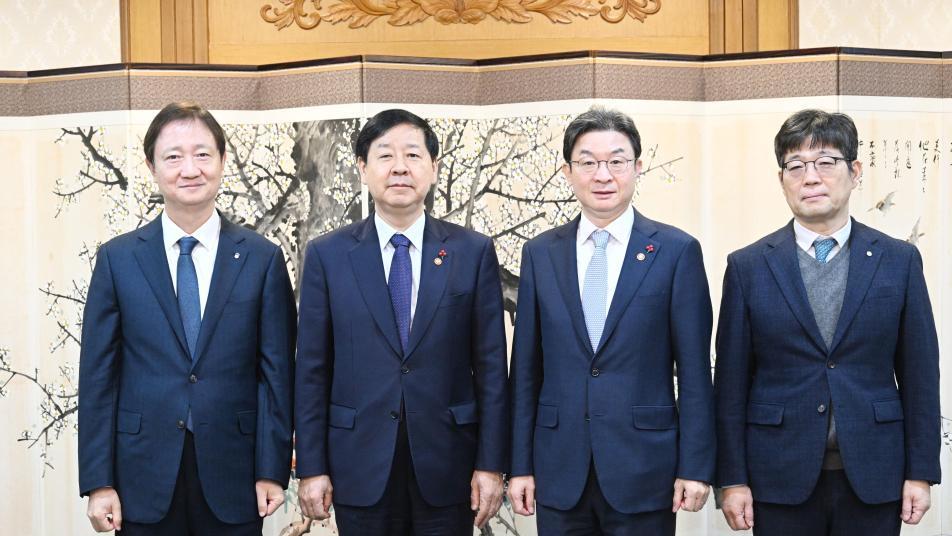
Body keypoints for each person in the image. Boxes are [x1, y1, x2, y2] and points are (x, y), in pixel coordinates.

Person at [714, 109, 941, 535]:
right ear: (781, 179)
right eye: (795, 166)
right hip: (776, 476)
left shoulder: (898, 261)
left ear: (855, 172)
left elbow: (920, 375)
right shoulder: (748, 267)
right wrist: (732, 479)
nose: (810, 177)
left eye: (825, 162)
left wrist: (921, 471)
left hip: (875, 473)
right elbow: (730, 384)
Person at [78, 101, 296, 534]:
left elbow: (276, 374)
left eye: (202, 154)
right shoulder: (118, 259)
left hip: (234, 473)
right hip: (141, 474)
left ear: (222, 160)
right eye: (173, 156)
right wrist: (99, 482)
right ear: (151, 166)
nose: (189, 169)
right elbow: (99, 378)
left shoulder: (262, 259)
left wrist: (272, 469)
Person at [294, 108, 509, 535]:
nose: (399, 168)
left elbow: (490, 369)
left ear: (432, 168)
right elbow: (312, 370)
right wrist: (312, 467)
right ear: (362, 168)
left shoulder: (472, 252)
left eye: (412, 155)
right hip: (358, 464)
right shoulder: (327, 256)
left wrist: (491, 464)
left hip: (450, 465)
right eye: (384, 155)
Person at [508, 107, 715, 535]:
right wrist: (520, 465)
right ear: (568, 171)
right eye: (587, 162)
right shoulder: (541, 253)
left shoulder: (676, 252)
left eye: (616, 161)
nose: (603, 175)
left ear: (638, 167)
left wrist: (695, 466)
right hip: (560, 468)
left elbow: (694, 371)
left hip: (645, 467)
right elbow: (526, 369)